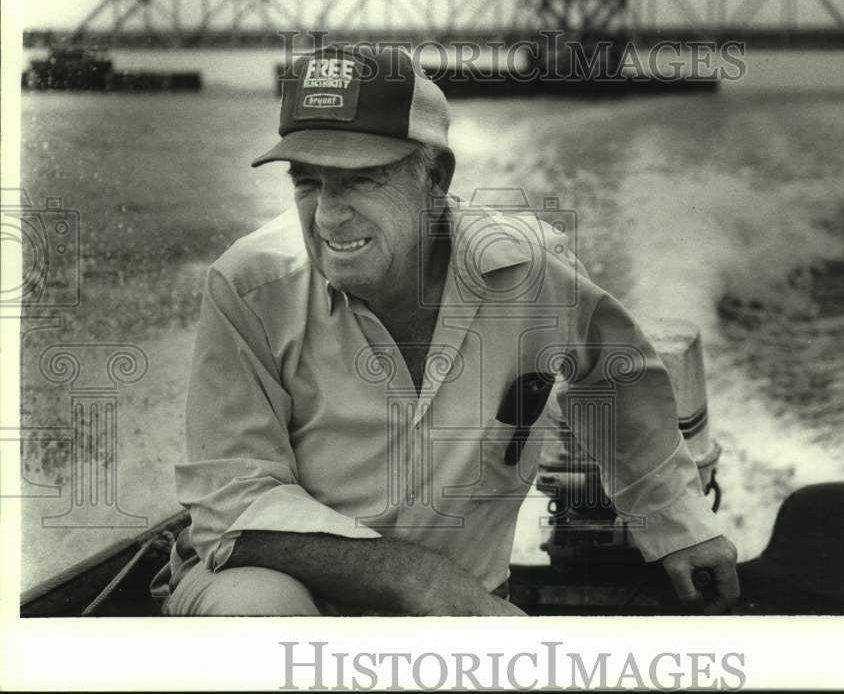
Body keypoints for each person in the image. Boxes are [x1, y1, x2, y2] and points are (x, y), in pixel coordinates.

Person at [151, 44, 739, 616]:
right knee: (260, 614)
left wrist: (678, 525)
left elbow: (617, 378)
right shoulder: (249, 286)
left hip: (464, 608)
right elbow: (231, 502)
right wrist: (415, 577)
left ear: (435, 178)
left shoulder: (532, 271)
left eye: (361, 179)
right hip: (286, 588)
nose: (329, 215)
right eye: (309, 182)